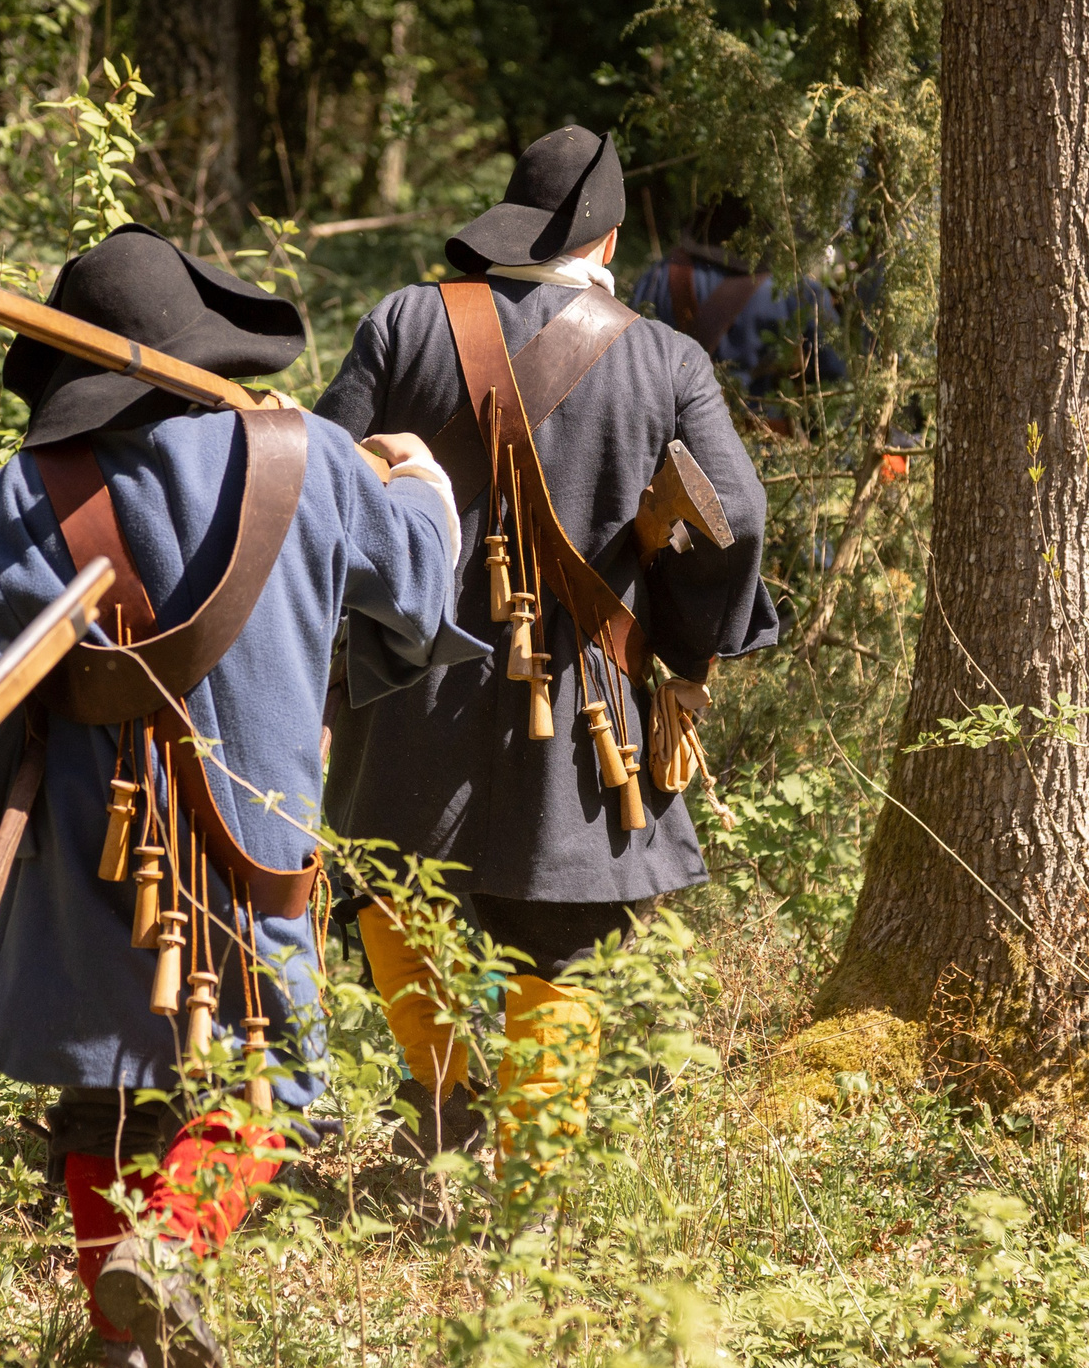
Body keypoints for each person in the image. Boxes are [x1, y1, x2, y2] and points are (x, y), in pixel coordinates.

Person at [0, 225, 468, 1368]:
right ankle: (164, 1261)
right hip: (259, 851)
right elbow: (417, 592)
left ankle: (124, 1330)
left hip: (85, 842)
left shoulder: (23, 491)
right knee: (265, 1092)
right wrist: (418, 484)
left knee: (97, 1092)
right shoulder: (312, 457)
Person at [317, 127, 777, 1195]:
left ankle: (445, 1112)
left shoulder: (401, 321)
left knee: (396, 895)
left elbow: (324, 488)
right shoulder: (665, 358)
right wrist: (686, 647)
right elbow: (738, 520)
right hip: (585, 702)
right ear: (608, 236)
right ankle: (527, 1193)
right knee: (559, 944)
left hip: (405, 678)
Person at [631, 194, 847, 434]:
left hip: (671, 453)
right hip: (770, 459)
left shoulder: (659, 278)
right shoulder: (802, 294)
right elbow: (837, 396)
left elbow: (631, 371)